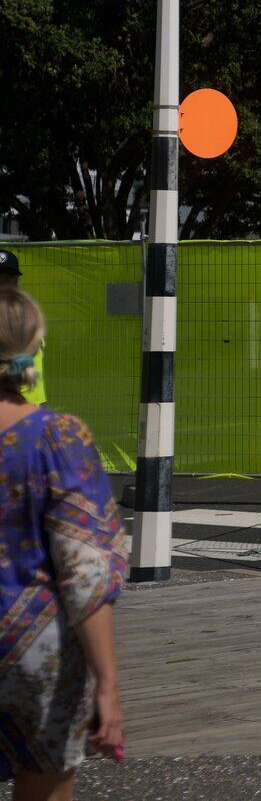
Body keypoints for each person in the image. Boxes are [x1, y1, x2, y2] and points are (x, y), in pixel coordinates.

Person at [1, 289, 128, 797]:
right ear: (33, 346)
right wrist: (108, 684)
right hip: (34, 653)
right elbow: (86, 570)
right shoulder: (58, 438)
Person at [0, 250, 42, 408]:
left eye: (7, 279)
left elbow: (37, 367)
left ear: (16, 281)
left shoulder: (31, 318)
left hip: (30, 408)